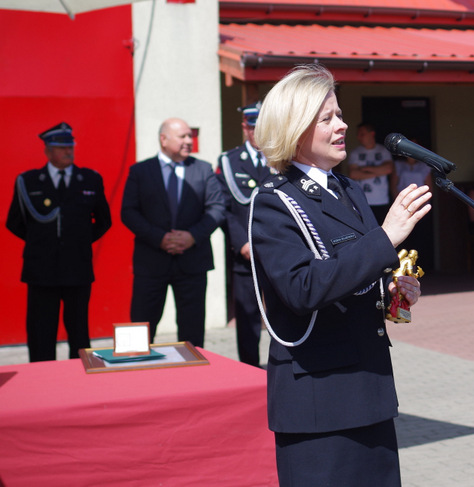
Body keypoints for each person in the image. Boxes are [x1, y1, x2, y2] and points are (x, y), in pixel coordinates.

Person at [248, 64, 431, 486]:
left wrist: (392, 290)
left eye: (340, 115)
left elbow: (358, 277)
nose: (342, 125)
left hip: (370, 387)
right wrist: (386, 237)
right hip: (319, 401)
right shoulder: (275, 201)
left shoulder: (348, 190)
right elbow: (303, 289)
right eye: (327, 118)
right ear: (295, 129)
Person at [5, 122, 112, 362]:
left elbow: (104, 221)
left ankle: (79, 378)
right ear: (47, 150)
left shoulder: (90, 179)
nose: (68, 151)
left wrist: (79, 241)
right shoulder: (29, 181)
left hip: (77, 267)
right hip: (41, 270)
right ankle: (42, 379)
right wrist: (42, 242)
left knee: (79, 333)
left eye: (70, 146)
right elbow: (14, 222)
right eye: (61, 147)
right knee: (41, 332)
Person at [121, 117, 225, 347]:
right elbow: (128, 212)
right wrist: (159, 238)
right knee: (140, 330)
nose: (189, 140)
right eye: (183, 136)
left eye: (190, 136)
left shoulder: (203, 169)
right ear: (164, 139)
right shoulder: (140, 171)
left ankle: (192, 371)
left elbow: (217, 208)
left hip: (192, 262)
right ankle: (134, 369)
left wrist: (192, 236)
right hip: (151, 262)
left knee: (192, 334)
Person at [217, 102, 275, 367]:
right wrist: (241, 243)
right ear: (245, 127)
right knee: (248, 316)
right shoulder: (229, 161)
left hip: (277, 250)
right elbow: (224, 208)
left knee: (282, 313)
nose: (258, 133)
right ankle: (250, 369)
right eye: (253, 127)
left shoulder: (281, 157)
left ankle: (281, 368)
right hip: (245, 254)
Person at [390, 143, 434, 260]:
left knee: (421, 236)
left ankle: (422, 265)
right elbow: (393, 186)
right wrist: (400, 204)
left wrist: (422, 204)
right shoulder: (398, 165)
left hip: (420, 206)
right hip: (403, 206)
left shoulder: (424, 166)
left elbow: (429, 187)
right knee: (403, 236)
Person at [348, 122, 394, 221]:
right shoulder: (355, 152)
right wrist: (379, 171)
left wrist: (365, 169)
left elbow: (388, 169)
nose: (359, 137)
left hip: (381, 200)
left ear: (372, 134)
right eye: (358, 134)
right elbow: (353, 174)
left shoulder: (383, 150)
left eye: (362, 134)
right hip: (361, 201)